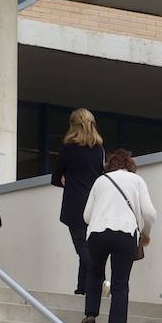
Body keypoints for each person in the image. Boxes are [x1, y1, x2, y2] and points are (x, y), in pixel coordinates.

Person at [79, 149, 157, 323]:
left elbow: (87, 216)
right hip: (125, 233)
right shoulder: (136, 181)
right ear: (131, 165)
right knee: (120, 285)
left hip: (97, 232)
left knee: (95, 273)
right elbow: (150, 214)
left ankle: (90, 317)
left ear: (110, 165)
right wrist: (145, 233)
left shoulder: (100, 181)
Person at [52, 108, 106, 295]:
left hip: (74, 204)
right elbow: (101, 176)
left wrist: (67, 180)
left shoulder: (69, 149)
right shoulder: (99, 150)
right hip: (94, 204)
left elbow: (55, 178)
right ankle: (82, 288)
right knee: (87, 246)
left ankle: (101, 279)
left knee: (82, 247)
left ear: (73, 126)